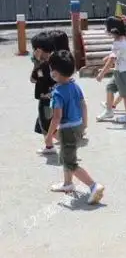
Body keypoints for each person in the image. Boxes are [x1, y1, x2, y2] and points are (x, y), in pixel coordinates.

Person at [46, 50, 104, 204]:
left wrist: (49, 135)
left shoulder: (57, 93)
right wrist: (84, 123)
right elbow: (83, 104)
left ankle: (93, 185)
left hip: (67, 130)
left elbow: (56, 117)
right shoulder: (75, 86)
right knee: (67, 155)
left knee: (70, 162)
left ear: (55, 72)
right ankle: (67, 183)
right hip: (78, 126)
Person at [96, 17, 126, 123]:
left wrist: (102, 74)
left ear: (113, 29)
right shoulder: (125, 39)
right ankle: (109, 111)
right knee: (110, 87)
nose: (106, 31)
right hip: (122, 70)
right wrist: (109, 56)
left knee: (125, 94)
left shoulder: (117, 43)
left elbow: (112, 60)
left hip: (122, 72)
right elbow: (121, 54)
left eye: (107, 28)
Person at [31, 32, 58, 155]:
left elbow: (33, 79)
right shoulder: (55, 59)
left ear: (39, 50)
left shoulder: (42, 65)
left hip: (46, 99)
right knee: (42, 123)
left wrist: (36, 63)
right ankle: (50, 145)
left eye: (35, 49)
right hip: (54, 96)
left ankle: (65, 142)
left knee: (47, 125)